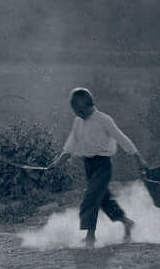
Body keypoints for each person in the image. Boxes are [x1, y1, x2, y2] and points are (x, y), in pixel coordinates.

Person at [46, 87, 146, 248]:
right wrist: (57, 163)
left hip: (103, 165)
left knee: (91, 197)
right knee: (103, 200)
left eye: (80, 110)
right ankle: (127, 222)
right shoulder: (77, 122)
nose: (78, 114)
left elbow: (122, 139)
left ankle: (90, 236)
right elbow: (70, 146)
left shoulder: (104, 120)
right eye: (75, 111)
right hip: (89, 165)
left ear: (90, 104)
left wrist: (138, 158)